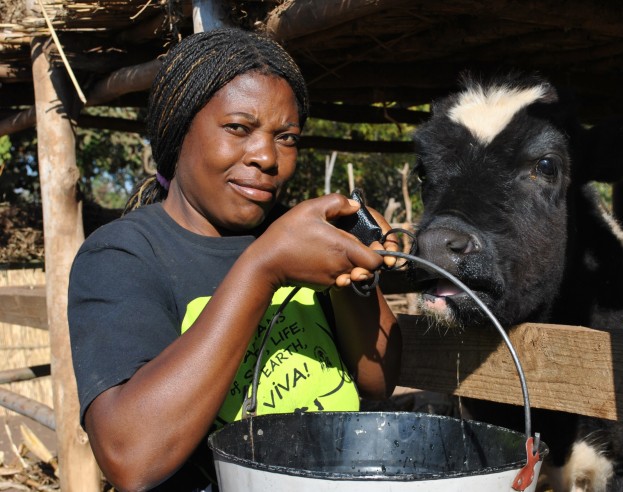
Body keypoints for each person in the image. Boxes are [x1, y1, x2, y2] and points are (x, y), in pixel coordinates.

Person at [68, 27, 402, 491]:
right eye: (239, 128)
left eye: (286, 137)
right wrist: (263, 269)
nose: (267, 156)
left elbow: (377, 379)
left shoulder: (302, 239)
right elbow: (130, 458)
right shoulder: (124, 255)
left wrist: (357, 272)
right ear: (179, 129)